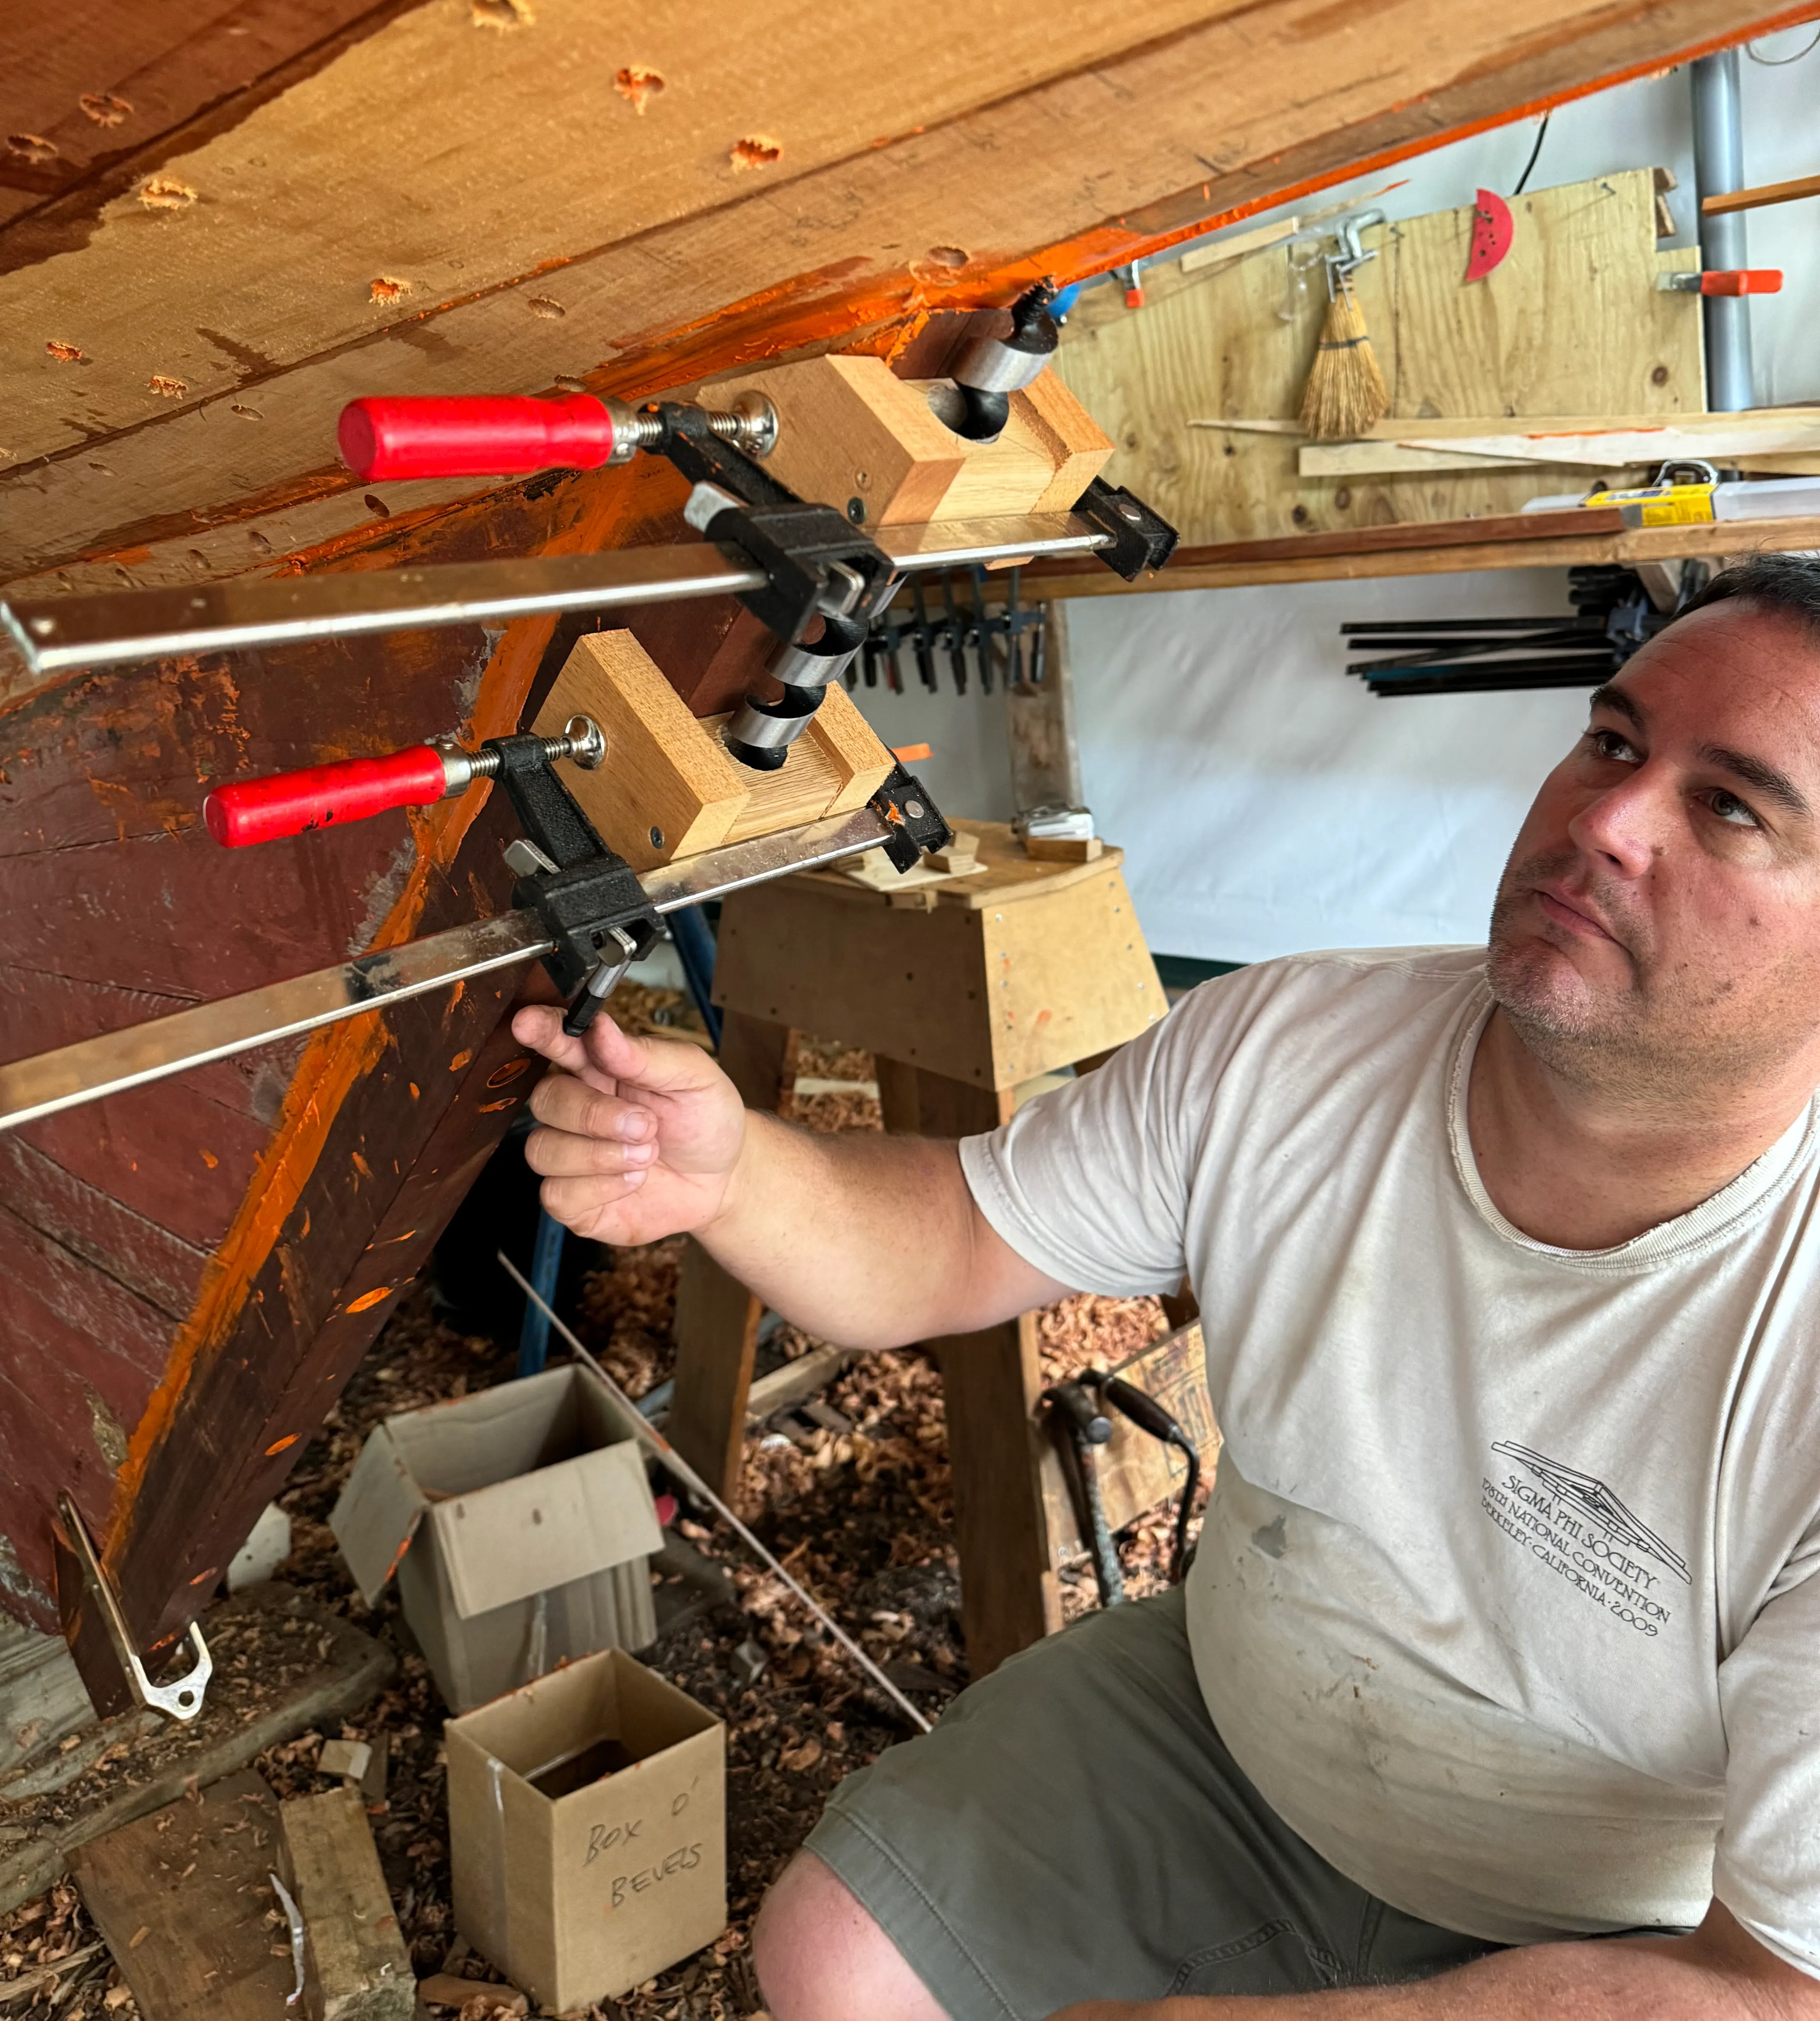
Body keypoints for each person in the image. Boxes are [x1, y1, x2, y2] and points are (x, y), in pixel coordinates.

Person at [510, 557, 1820, 2021]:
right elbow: (951, 1237)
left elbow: (1774, 1987)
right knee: (831, 1961)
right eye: (1614, 742)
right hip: (1231, 1718)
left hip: (1594, 1928)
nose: (1603, 822)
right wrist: (728, 1171)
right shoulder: (1288, 1045)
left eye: (1730, 807)